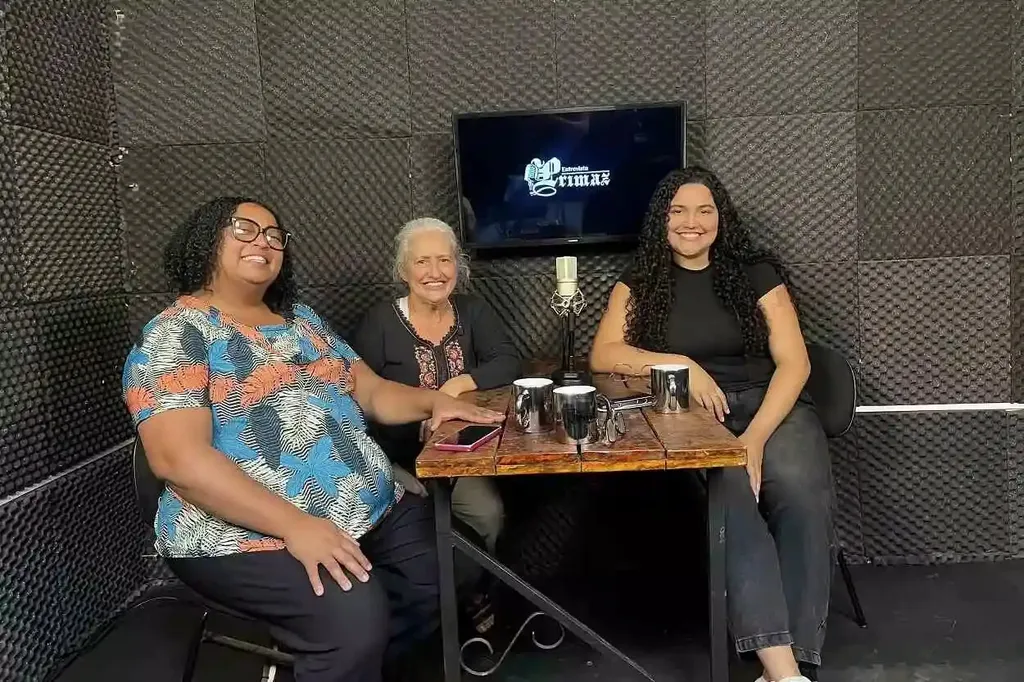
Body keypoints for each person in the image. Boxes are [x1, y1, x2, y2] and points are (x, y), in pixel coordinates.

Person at [122, 197, 504, 682]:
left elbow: (372, 390)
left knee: (456, 562)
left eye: (273, 234)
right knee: (352, 620)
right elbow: (179, 459)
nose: (263, 241)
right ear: (206, 241)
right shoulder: (176, 335)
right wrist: (295, 526)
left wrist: (433, 402)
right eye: (244, 229)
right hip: (245, 535)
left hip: (367, 509)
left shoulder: (302, 321)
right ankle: (344, 653)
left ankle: (344, 665)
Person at [590, 167, 832, 682]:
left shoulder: (756, 272)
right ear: (663, 220)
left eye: (705, 210)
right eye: (678, 211)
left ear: (721, 218)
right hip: (694, 413)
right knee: (734, 502)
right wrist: (681, 364)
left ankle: (789, 668)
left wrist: (753, 440)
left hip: (772, 407)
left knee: (803, 496)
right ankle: (785, 671)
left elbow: (796, 363)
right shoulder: (642, 278)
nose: (692, 222)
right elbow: (604, 354)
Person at [352, 217, 520, 632]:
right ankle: (430, 612)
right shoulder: (380, 323)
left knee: (488, 516)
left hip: (458, 457)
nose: (435, 272)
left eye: (444, 260)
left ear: (458, 267)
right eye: (422, 261)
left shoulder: (473, 311)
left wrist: (459, 384)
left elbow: (508, 360)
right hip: (396, 458)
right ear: (403, 270)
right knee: (417, 524)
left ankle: (474, 592)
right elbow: (356, 398)